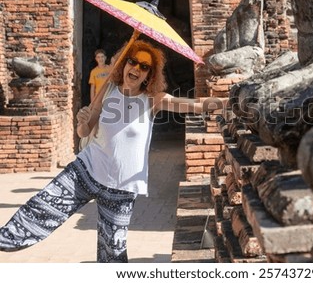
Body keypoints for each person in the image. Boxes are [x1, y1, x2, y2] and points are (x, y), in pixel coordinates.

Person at [0, 40, 227, 262]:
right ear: (124, 64)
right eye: (133, 61)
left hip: (121, 188)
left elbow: (196, 105)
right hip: (86, 171)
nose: (136, 68)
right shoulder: (108, 89)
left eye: (144, 66)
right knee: (39, 209)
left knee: (113, 253)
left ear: (150, 75)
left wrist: (229, 102)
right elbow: (84, 131)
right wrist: (83, 121)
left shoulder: (153, 100)